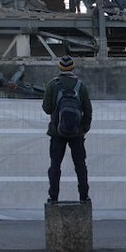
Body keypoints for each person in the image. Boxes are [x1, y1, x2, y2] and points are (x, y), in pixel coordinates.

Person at [42, 55, 93, 204]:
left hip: (56, 133)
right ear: (73, 68)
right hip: (77, 133)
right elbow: (88, 110)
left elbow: (47, 108)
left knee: (55, 165)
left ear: (60, 68)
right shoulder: (80, 86)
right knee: (80, 165)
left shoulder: (52, 85)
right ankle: (84, 196)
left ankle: (53, 197)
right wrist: (83, 128)